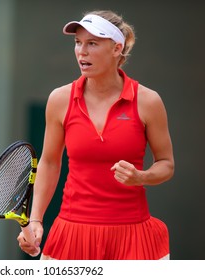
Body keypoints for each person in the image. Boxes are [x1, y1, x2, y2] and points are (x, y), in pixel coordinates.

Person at [17, 10, 174, 260]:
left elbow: (166, 164)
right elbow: (49, 162)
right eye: (78, 42)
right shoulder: (59, 99)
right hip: (72, 234)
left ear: (116, 49)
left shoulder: (148, 101)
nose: (82, 51)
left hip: (133, 237)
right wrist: (36, 219)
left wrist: (141, 177)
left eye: (92, 43)